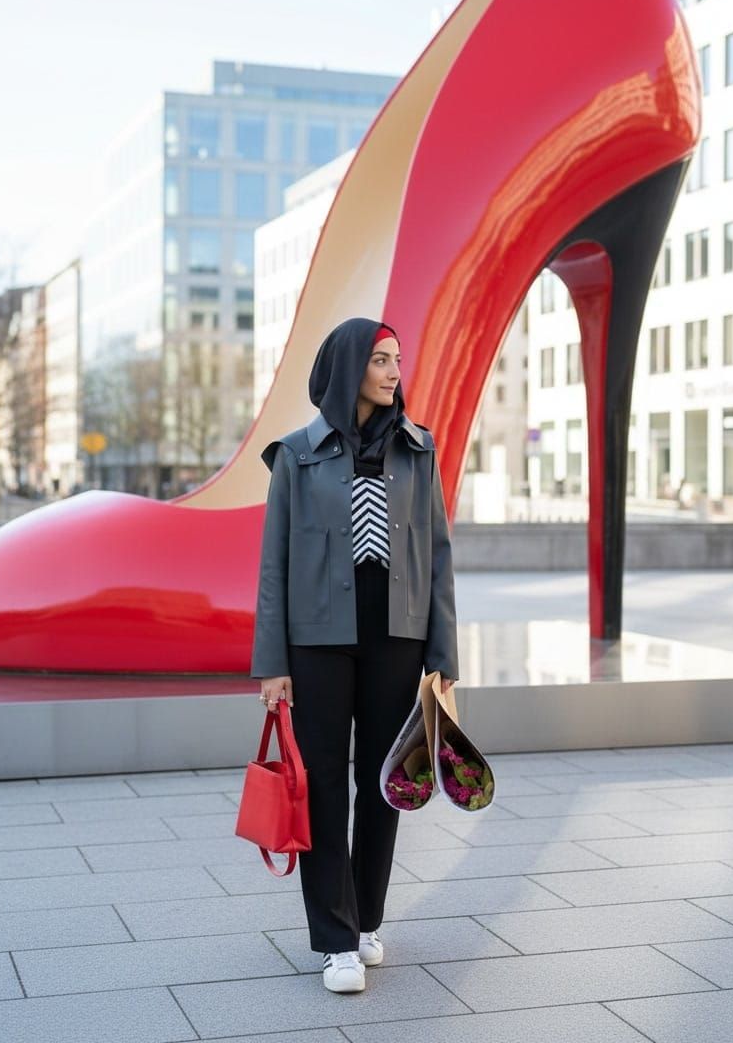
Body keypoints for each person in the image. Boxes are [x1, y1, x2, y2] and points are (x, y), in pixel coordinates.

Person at [250, 316, 459, 994]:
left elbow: (439, 559)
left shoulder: (417, 450)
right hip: (317, 641)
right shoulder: (295, 456)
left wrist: (442, 654)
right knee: (322, 788)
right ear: (348, 369)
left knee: (384, 782)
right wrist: (272, 663)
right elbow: (273, 568)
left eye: (397, 359)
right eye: (379, 360)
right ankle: (335, 940)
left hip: (396, 635)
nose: (394, 371)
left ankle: (366, 919)